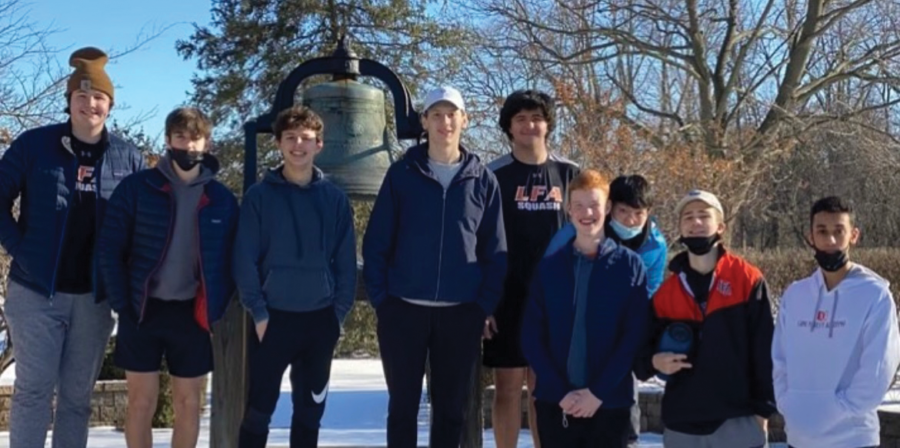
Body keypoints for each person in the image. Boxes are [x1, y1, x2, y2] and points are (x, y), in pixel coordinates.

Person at [0, 47, 145, 448]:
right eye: (81, 97)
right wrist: (20, 248)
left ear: (109, 105)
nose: (90, 104)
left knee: (77, 400)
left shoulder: (127, 158)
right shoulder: (34, 146)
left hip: (94, 299)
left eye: (98, 97)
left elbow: (144, 225)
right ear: (69, 101)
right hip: (35, 291)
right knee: (33, 391)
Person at [362, 86, 507, 448]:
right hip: (404, 311)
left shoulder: (483, 180)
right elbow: (377, 242)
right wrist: (384, 301)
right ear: (424, 121)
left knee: (451, 411)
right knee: (402, 409)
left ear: (465, 120)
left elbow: (496, 250)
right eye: (437, 114)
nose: (445, 122)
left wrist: (482, 306)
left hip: (460, 314)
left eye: (452, 114)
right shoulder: (402, 175)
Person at [98, 107, 238, 448]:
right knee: (140, 403)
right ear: (167, 140)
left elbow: (234, 260)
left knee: (189, 405)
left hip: (192, 315)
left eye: (195, 138)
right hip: (142, 310)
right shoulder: (137, 188)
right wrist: (122, 303)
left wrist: (215, 308)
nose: (188, 146)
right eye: (180, 138)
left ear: (207, 143)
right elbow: (109, 249)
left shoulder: (221, 199)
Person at [234, 105, 357, 448]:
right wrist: (258, 312)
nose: (298, 145)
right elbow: (244, 258)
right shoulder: (259, 197)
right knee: (259, 411)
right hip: (272, 321)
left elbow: (346, 263)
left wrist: (337, 315)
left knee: (310, 412)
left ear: (319, 144)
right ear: (278, 143)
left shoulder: (334, 199)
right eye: (291, 137)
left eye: (306, 138)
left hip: (319, 321)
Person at [634, 190, 775, 448]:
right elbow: (640, 357)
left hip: (738, 420)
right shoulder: (667, 293)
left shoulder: (747, 279)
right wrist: (654, 361)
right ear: (680, 228)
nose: (695, 222)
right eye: (688, 217)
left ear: (720, 226)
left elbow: (765, 350)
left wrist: (762, 411)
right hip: (682, 425)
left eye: (703, 216)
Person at [521, 169, 650, 448]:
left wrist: (597, 393)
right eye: (578, 205)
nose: (586, 212)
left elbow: (633, 337)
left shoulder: (629, 266)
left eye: (593, 205)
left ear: (606, 208)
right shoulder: (549, 268)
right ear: (568, 210)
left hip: (610, 404)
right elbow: (531, 335)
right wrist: (560, 392)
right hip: (556, 405)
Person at [484, 89, 579, 448]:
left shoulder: (570, 173)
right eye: (520, 119)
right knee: (507, 388)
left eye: (536, 118)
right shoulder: (491, 175)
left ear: (548, 124)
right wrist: (487, 303)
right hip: (507, 299)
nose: (529, 125)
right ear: (508, 127)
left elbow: (589, 235)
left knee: (545, 390)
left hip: (554, 302)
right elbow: (480, 243)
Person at [773, 196, 900, 448]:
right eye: (822, 231)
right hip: (799, 439)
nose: (830, 240)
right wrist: (787, 403)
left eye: (838, 231)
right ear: (811, 236)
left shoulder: (874, 294)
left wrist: (839, 409)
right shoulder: (796, 295)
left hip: (853, 439)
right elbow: (780, 359)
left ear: (853, 235)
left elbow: (879, 368)